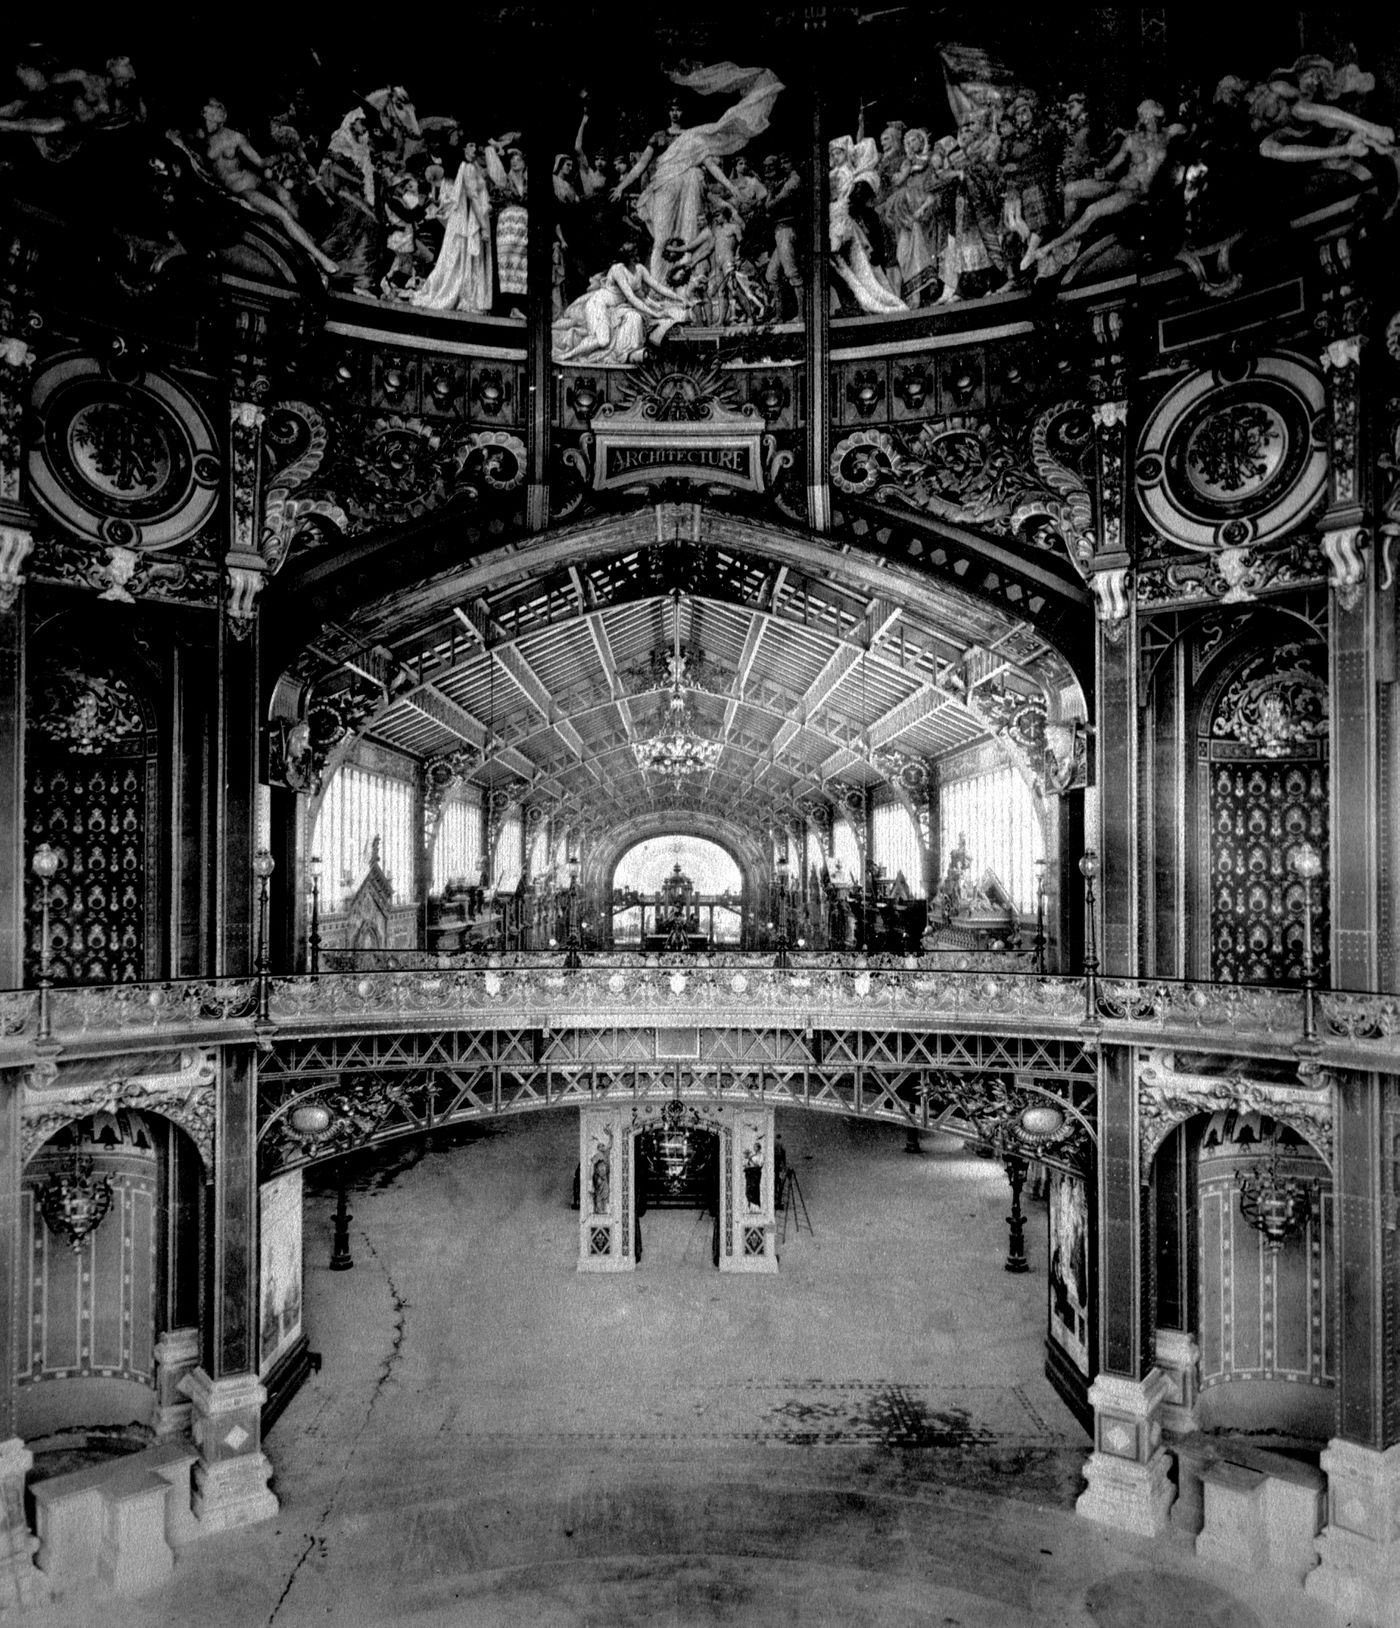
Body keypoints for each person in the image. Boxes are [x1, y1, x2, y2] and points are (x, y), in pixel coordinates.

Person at [611, 63, 784, 283]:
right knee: (661, 240)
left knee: (688, 237)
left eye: (679, 109)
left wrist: (732, 188)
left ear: (684, 112)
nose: (676, 113)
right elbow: (641, 165)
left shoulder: (693, 136)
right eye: (672, 109)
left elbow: (711, 165)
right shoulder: (659, 136)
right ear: (668, 111)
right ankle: (660, 287)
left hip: (690, 189)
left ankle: (685, 287)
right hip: (665, 188)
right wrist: (622, 186)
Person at [1022, 98, 1176, 271]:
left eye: (1145, 115)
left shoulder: (1169, 133)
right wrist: (1102, 172)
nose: (1143, 119)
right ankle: (1067, 235)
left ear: (1154, 116)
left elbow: (1193, 130)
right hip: (1120, 186)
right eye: (1141, 115)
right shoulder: (1132, 140)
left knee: (1091, 211)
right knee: (1070, 190)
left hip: (1135, 194)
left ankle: (1048, 248)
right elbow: (1111, 168)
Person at [188, 98, 337, 274]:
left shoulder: (236, 137)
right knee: (281, 214)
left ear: (221, 115)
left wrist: (280, 156)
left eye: (212, 114)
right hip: (243, 190)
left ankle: (315, 248)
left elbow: (259, 162)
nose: (208, 119)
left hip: (256, 180)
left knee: (285, 197)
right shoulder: (201, 138)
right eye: (206, 115)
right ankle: (320, 258)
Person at [551, 258, 692, 363]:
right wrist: (656, 313)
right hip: (598, 305)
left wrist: (680, 300)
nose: (634, 254)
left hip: (614, 308)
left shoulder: (640, 269)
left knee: (633, 318)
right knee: (603, 341)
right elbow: (631, 298)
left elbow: (658, 287)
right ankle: (568, 355)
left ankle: (627, 352)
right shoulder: (617, 269)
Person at [413, 138, 493, 312]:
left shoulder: (474, 168)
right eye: (470, 145)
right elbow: (472, 197)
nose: (474, 148)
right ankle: (464, 296)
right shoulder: (467, 168)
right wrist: (484, 226)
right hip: (467, 217)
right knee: (457, 257)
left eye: (475, 145)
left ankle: (469, 296)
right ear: (463, 148)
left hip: (470, 215)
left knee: (464, 257)